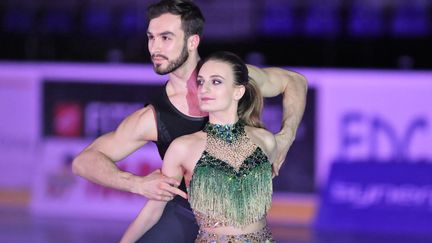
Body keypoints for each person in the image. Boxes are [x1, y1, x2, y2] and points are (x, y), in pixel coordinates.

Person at [72, 0, 307, 242]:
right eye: (151, 37)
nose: (155, 47)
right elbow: (84, 161)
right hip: (184, 215)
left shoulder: (229, 77)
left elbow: (295, 82)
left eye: (166, 37)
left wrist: (287, 136)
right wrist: (136, 184)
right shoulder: (153, 117)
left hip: (244, 222)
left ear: (192, 41)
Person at [120, 51, 277, 243]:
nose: (204, 89)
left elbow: (294, 81)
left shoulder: (266, 141)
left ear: (238, 91)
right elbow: (153, 211)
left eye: (216, 82)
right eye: (201, 82)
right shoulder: (183, 148)